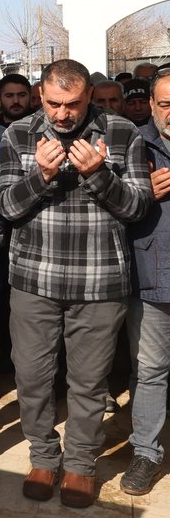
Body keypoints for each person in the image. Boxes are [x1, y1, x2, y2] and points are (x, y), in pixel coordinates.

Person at [0, 59, 152, 508]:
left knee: (89, 382)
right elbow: (6, 207)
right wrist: (41, 176)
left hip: (100, 281)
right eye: (54, 104)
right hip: (34, 278)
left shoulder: (121, 132)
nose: (63, 114)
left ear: (89, 97)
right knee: (32, 376)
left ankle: (81, 464)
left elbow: (138, 207)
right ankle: (43, 457)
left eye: (73, 104)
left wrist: (98, 175)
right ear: (40, 96)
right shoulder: (18, 134)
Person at [120, 70, 170, 495]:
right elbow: (112, 206)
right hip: (152, 273)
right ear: (151, 105)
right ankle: (146, 452)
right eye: (166, 103)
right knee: (150, 369)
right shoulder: (133, 144)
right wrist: (142, 193)